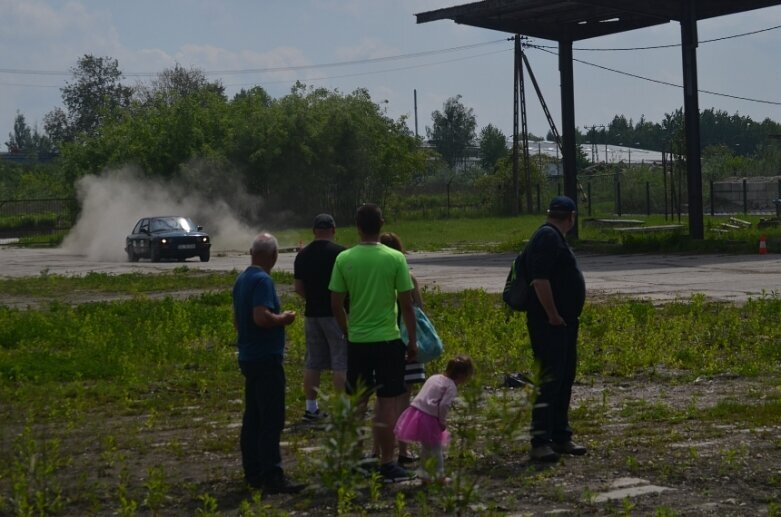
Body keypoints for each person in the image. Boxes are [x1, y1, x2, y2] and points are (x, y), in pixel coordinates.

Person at [329, 203, 418, 483]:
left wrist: (347, 330)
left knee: (358, 401)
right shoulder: (394, 258)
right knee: (387, 402)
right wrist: (412, 340)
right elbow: (407, 306)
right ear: (381, 224)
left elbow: (336, 304)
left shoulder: (344, 259)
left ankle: (355, 459)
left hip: (358, 341)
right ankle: (388, 461)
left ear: (357, 226)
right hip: (389, 340)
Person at [232, 232, 305, 493]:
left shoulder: (242, 279)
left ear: (252, 253)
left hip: (248, 356)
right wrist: (283, 318)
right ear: (273, 256)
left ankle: (252, 472)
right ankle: (272, 476)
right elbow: (261, 317)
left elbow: (237, 320)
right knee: (271, 419)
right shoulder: (263, 281)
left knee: (253, 416)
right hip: (265, 358)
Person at [523, 195, 587, 462]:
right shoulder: (547, 237)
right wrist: (552, 314)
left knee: (563, 378)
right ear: (571, 217)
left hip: (562, 322)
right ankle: (540, 440)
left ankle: (561, 435)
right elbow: (539, 280)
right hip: (550, 323)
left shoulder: (551, 236)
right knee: (550, 380)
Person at [294, 213, 347, 421]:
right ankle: (343, 409)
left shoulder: (302, 255)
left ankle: (311, 408)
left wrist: (313, 298)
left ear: (314, 230)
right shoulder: (340, 254)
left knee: (313, 362)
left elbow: (298, 288)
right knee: (340, 361)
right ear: (333, 230)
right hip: (335, 313)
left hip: (312, 314)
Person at [379, 232, 425, 466]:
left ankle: (377, 450)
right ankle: (404, 450)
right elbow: (417, 308)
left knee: (383, 398)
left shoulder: (376, 277)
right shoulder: (407, 277)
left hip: (381, 338)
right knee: (404, 397)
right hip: (406, 340)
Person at [394, 355, 475, 481]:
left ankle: (425, 473)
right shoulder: (451, 386)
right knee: (436, 449)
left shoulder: (434, 377)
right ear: (462, 376)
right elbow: (443, 405)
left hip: (416, 412)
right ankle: (438, 476)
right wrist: (442, 421)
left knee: (426, 447)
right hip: (429, 417)